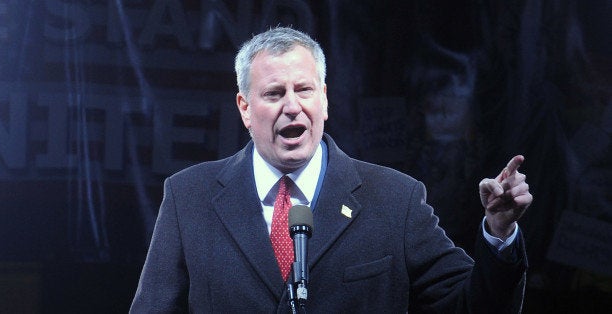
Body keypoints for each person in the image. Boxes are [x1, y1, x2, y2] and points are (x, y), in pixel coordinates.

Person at [130, 27, 532, 313]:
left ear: (323, 99)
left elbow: (471, 305)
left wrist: (500, 233)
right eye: (273, 93)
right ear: (245, 108)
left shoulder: (394, 199)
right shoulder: (189, 197)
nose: (292, 105)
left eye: (304, 89)